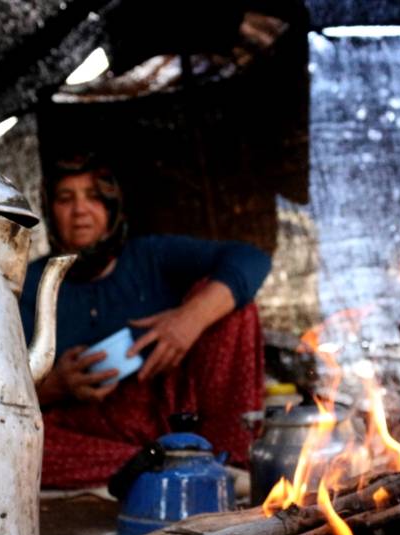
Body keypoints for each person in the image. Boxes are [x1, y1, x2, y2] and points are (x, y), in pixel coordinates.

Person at [19, 156, 271, 489]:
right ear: (50, 212)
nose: (80, 209)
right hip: (91, 431)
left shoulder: (150, 256)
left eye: (93, 196)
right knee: (21, 449)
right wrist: (53, 386)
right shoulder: (30, 283)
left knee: (235, 309)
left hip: (173, 409)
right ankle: (169, 469)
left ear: (112, 207)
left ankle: (227, 460)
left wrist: (188, 319)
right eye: (66, 199)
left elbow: (252, 259)